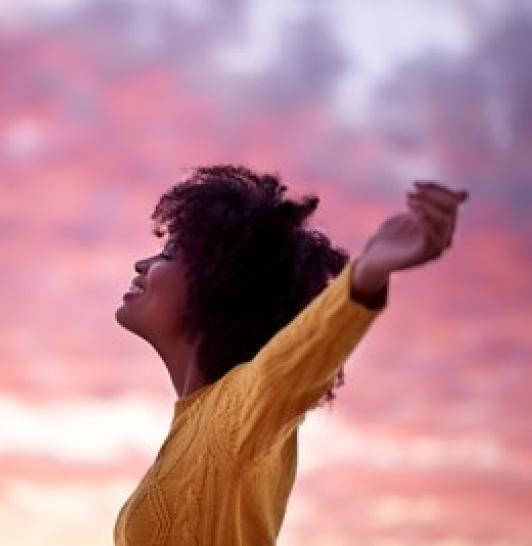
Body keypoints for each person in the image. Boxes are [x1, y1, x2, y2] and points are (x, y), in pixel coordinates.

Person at [113, 164, 469, 546]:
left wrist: (365, 276)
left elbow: (289, 367)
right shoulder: (197, 422)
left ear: (218, 284)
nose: (142, 264)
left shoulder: (235, 415)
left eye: (168, 254)